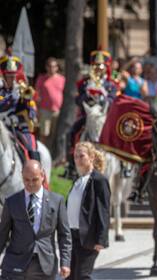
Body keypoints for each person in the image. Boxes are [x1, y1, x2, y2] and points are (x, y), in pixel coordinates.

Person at [0, 160, 72, 280]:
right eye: (26, 180)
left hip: (45, 266)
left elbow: (64, 235)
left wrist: (65, 262)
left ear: (42, 176)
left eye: (35, 179)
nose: (31, 184)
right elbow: (2, 234)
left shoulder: (57, 201)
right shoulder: (11, 202)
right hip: (15, 265)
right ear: (22, 176)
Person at [65, 48, 118, 179]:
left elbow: (113, 99)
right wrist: (87, 95)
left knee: (119, 134)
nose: (98, 69)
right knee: (72, 132)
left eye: (101, 67)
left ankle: (123, 167)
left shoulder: (111, 84)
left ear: (106, 67)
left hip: (105, 116)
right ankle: (71, 165)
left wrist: (102, 97)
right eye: (96, 66)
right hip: (87, 115)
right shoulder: (85, 82)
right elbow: (78, 99)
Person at [66, 141, 111, 280]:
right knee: (71, 276)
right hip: (72, 236)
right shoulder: (78, 180)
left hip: (88, 237)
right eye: (75, 156)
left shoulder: (99, 180)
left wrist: (101, 239)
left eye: (82, 156)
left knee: (82, 275)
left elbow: (103, 210)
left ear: (91, 157)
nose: (78, 159)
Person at [0, 51, 39, 160]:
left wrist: (18, 117)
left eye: (14, 75)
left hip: (19, 128)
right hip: (1, 126)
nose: (12, 78)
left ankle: (38, 174)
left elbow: (31, 110)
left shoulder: (22, 90)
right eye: (9, 76)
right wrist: (12, 96)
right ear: (3, 75)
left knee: (31, 148)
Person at [35, 57, 65, 149]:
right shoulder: (41, 79)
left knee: (55, 135)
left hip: (58, 111)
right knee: (44, 134)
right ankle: (42, 153)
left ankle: (51, 156)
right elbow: (36, 94)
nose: (52, 68)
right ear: (46, 67)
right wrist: (37, 110)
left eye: (54, 66)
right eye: (50, 66)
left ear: (57, 68)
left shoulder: (62, 79)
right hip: (45, 110)